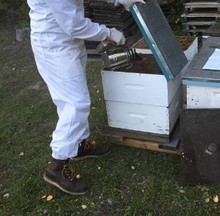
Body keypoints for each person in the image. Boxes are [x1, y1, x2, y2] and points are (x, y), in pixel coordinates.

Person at [27, 0, 145, 195]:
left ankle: (79, 145)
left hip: (67, 41)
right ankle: (57, 165)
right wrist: (108, 33)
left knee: (72, 100)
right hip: (54, 45)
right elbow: (74, 25)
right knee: (76, 103)